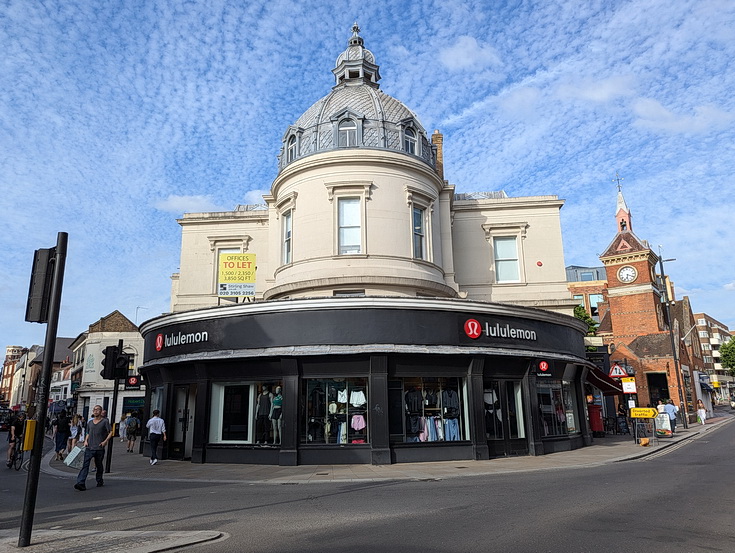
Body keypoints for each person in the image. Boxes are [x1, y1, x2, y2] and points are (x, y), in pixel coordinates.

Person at [74, 405, 113, 491]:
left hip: (99, 447)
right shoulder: (90, 422)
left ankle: (99, 480)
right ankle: (81, 483)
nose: (95, 411)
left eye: (97, 410)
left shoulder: (105, 421)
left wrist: (105, 441)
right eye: (94, 410)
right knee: (85, 465)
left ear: (101, 411)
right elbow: (88, 432)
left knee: (98, 464)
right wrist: (85, 441)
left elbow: (110, 431)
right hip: (89, 447)